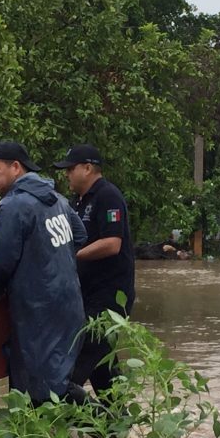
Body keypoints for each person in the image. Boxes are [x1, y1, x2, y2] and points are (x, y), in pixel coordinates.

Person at [0, 141, 87, 406]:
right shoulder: (58, 200)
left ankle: (108, 427)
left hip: (38, 309)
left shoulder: (13, 206)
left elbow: (1, 260)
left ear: (16, 167)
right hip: (69, 303)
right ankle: (103, 434)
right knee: (53, 379)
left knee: (40, 388)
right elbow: (80, 235)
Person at [53, 144, 135, 397]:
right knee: (102, 369)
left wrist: (71, 255)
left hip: (109, 298)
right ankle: (117, 427)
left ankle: (54, 423)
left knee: (71, 372)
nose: (66, 175)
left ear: (87, 168)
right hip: (86, 295)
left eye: (70, 169)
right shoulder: (78, 201)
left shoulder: (108, 196)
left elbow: (112, 243)